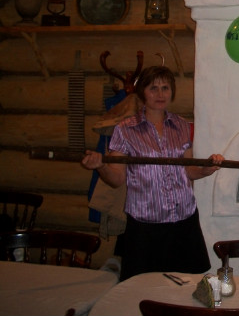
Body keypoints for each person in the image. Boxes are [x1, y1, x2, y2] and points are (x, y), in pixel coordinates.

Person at [81, 65, 223, 281]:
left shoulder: (182, 126)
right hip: (145, 226)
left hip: (183, 220)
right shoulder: (125, 129)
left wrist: (206, 169)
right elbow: (117, 179)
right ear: (143, 92)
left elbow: (188, 170)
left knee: (183, 285)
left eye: (165, 88)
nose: (160, 94)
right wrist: (100, 166)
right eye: (153, 88)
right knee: (142, 286)